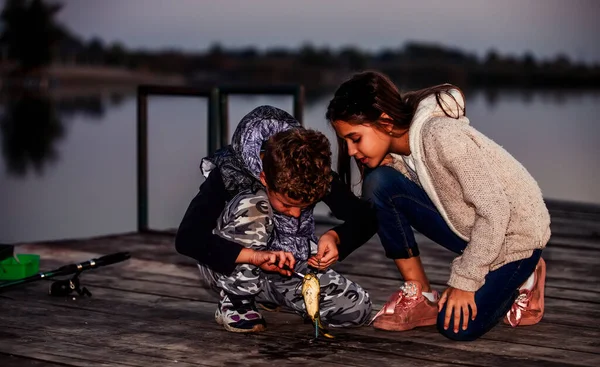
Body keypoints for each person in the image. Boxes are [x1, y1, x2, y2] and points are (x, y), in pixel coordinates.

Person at [326, 71, 551, 341]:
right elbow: (430, 180)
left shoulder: (443, 136)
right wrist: (395, 165)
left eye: (355, 138)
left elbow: (495, 210)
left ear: (385, 122)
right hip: (473, 228)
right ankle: (420, 295)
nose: (350, 151)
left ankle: (529, 273)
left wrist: (464, 282)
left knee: (457, 327)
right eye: (346, 142)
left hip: (516, 237)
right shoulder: (401, 148)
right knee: (380, 183)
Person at [176, 106, 377, 333]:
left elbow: (366, 218)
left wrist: (336, 237)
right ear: (264, 177)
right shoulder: (228, 173)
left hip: (286, 266)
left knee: (355, 308)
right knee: (255, 205)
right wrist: (254, 257)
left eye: (305, 207)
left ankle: (269, 294)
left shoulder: (313, 172)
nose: (296, 214)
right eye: (288, 205)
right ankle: (236, 300)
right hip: (228, 266)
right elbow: (187, 238)